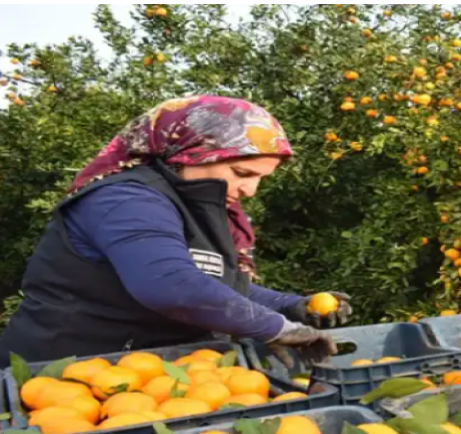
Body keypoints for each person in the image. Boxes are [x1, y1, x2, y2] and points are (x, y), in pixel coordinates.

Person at [0, 96, 351, 367]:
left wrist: (291, 306)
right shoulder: (126, 199)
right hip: (64, 373)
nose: (251, 190)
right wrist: (274, 327)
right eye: (243, 174)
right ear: (191, 153)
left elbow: (219, 283)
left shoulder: (201, 207)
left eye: (262, 178)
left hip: (153, 374)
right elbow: (171, 285)